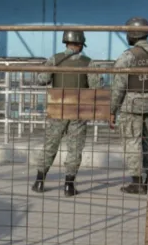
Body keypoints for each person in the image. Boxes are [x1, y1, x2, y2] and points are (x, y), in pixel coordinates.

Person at [32, 30, 102, 196]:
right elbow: (97, 86)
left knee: (50, 145)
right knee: (75, 148)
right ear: (79, 44)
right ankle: (69, 186)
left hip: (58, 106)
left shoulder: (55, 59)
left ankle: (39, 182)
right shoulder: (88, 62)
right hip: (79, 108)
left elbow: (42, 80)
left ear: (66, 42)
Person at [109, 17, 148, 194]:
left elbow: (119, 87)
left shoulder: (127, 57)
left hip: (131, 107)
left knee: (132, 143)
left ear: (132, 35)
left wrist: (112, 110)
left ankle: (137, 182)